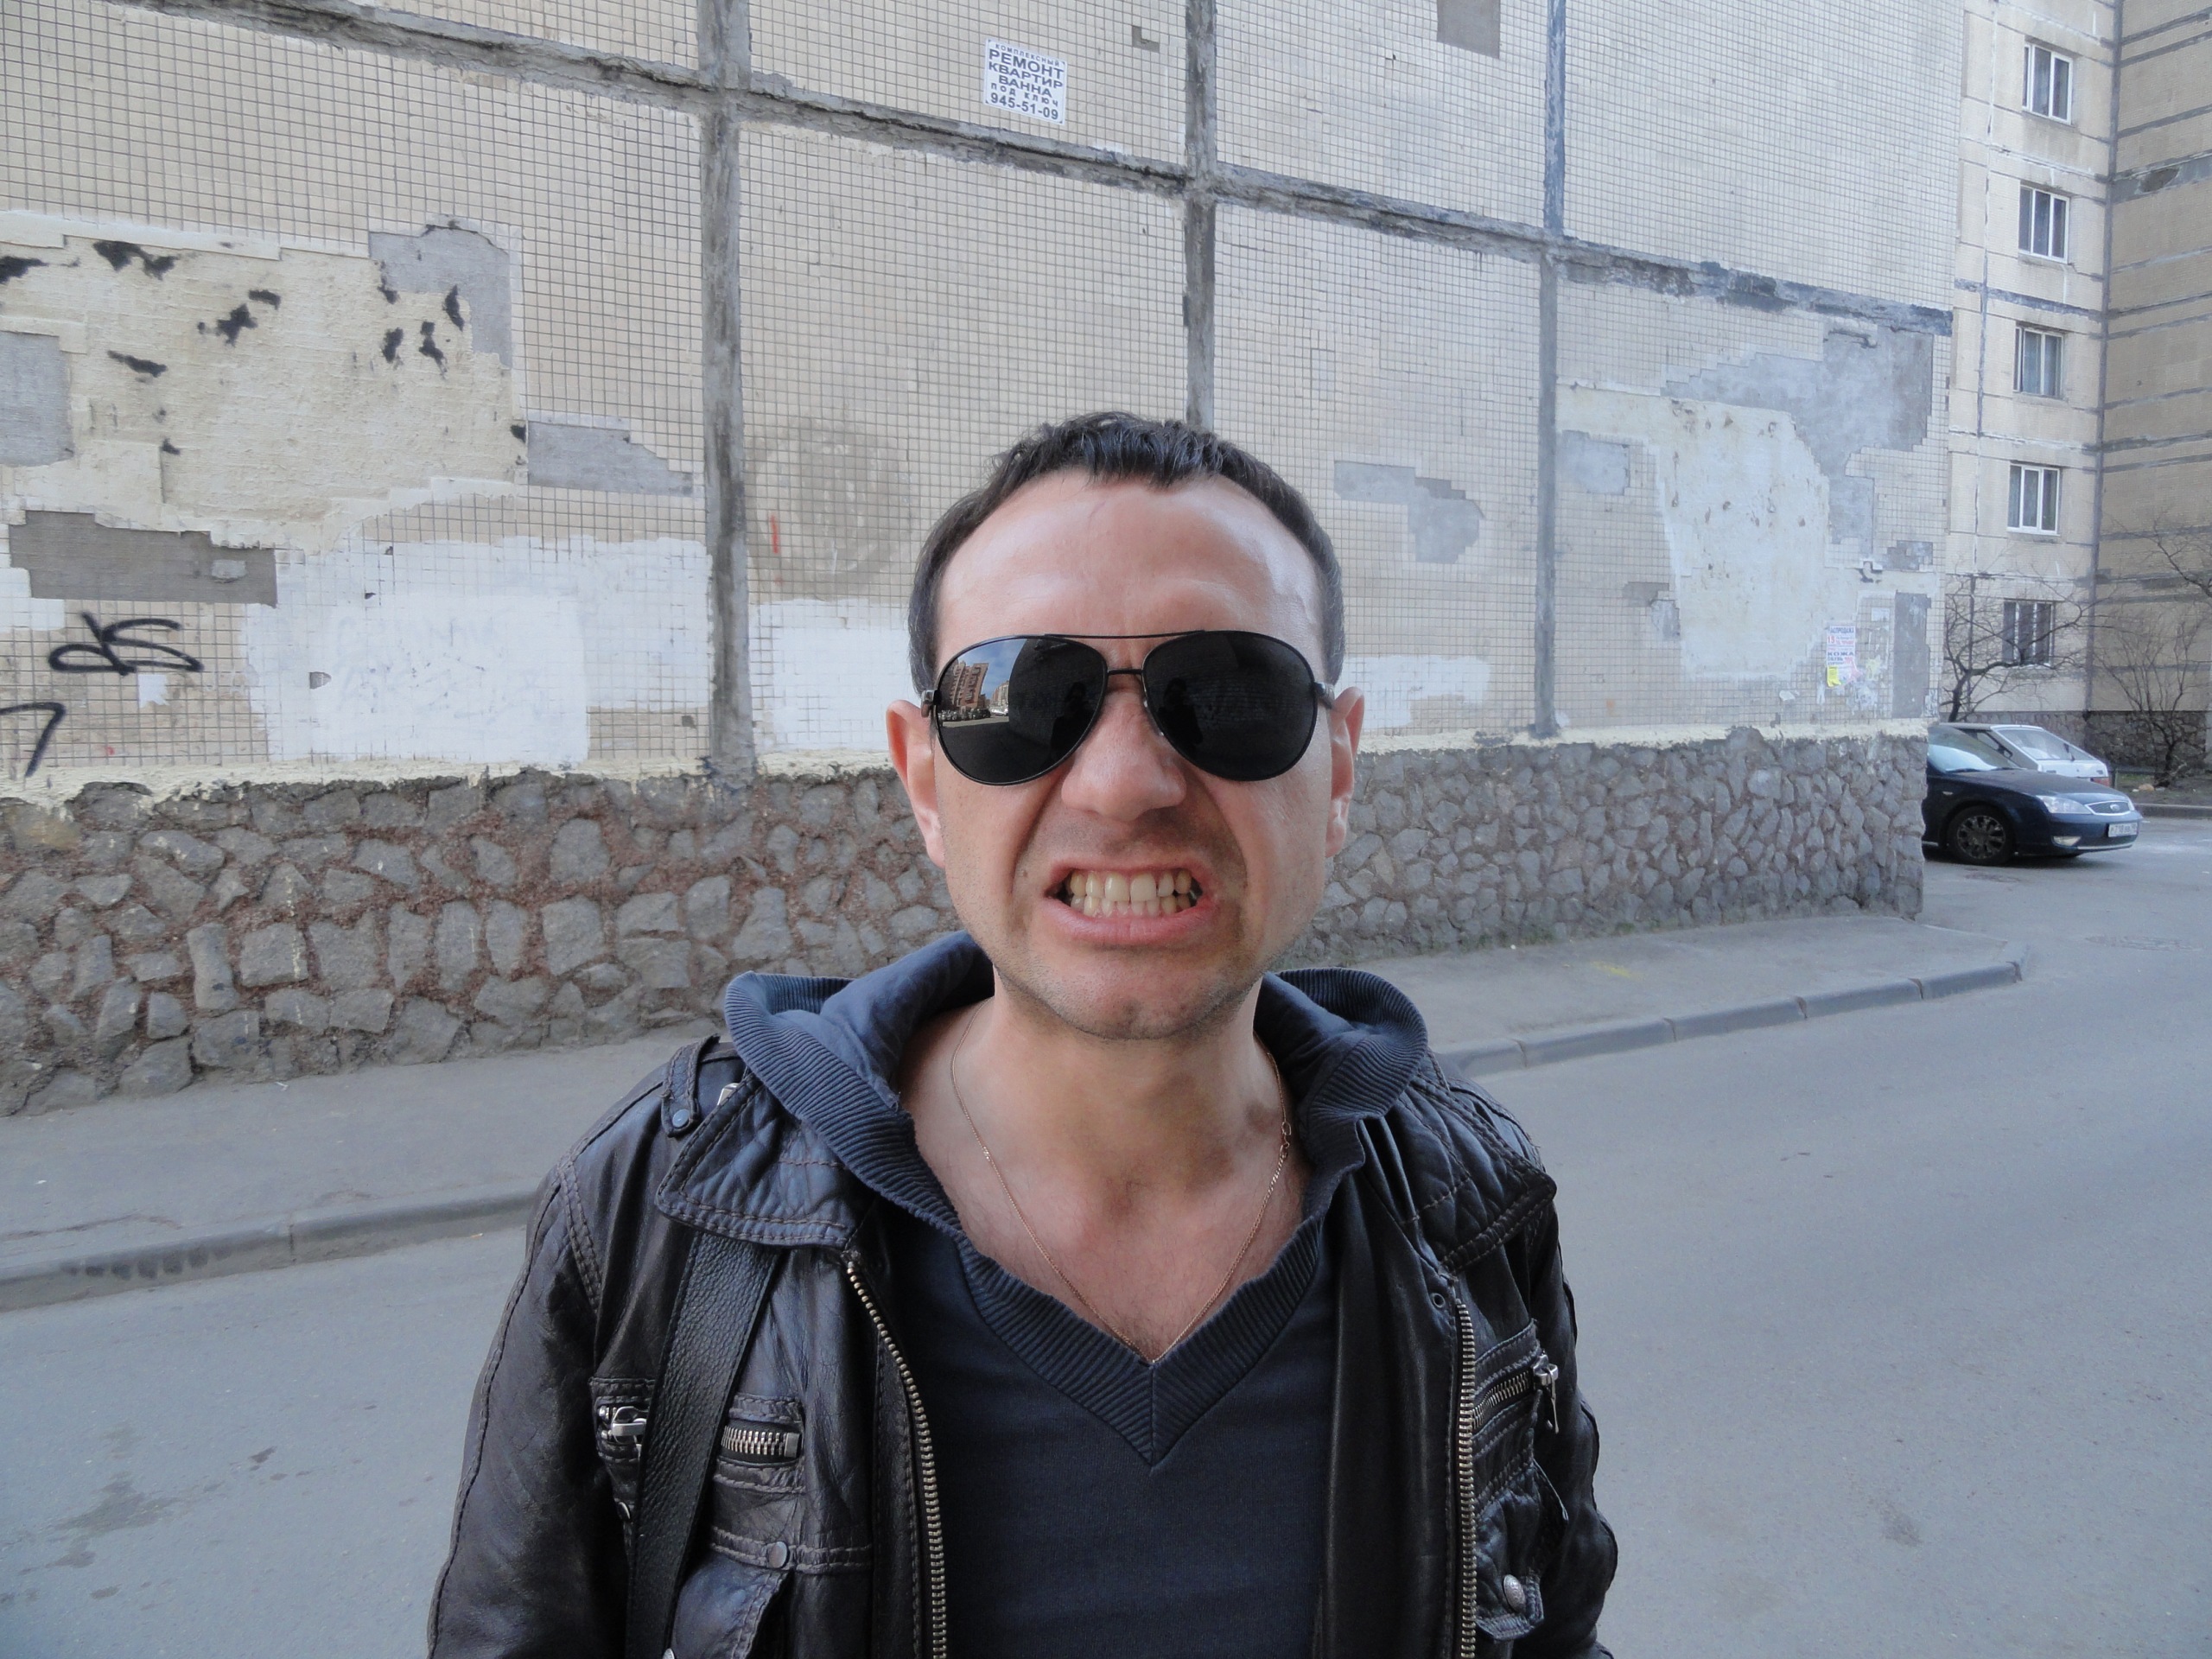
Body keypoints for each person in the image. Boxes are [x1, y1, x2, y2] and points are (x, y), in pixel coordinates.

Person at [429, 412, 1616, 1658]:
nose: (1124, 783)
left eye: (1229, 693)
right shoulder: (662, 1212)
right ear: (926, 781)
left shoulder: (1469, 1209)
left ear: (1341, 768)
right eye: (1023, 699)